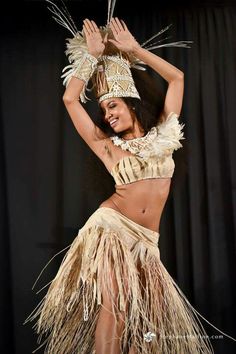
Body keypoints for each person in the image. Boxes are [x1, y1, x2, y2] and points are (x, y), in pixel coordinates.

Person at [26, 12, 236, 354]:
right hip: (112, 231)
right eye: (104, 110)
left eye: (113, 106)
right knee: (117, 308)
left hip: (147, 243)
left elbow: (177, 79)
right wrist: (92, 56)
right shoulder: (107, 146)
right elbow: (69, 99)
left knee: (145, 323)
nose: (107, 114)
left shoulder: (166, 133)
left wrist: (135, 50)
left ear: (132, 103)